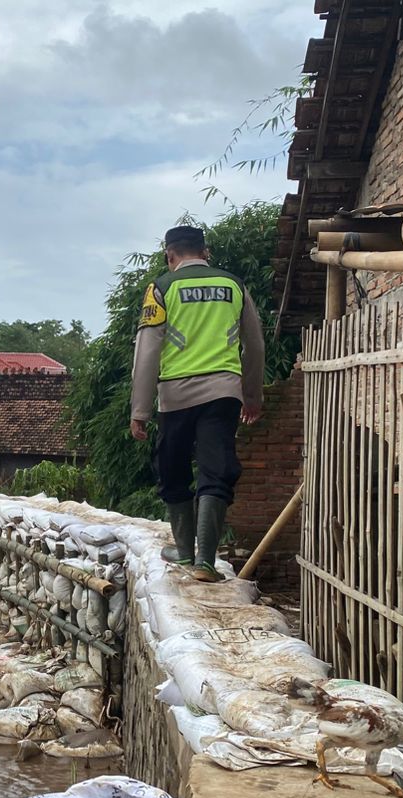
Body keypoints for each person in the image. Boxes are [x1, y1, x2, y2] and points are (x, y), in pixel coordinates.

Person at [129, 224, 265, 582]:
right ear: (206, 253)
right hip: (224, 392)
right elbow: (254, 345)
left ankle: (185, 550)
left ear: (169, 255)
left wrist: (140, 410)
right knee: (216, 467)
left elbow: (147, 351)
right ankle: (205, 561)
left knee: (172, 467)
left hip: (175, 395)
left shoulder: (161, 288)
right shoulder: (234, 285)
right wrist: (252, 397)